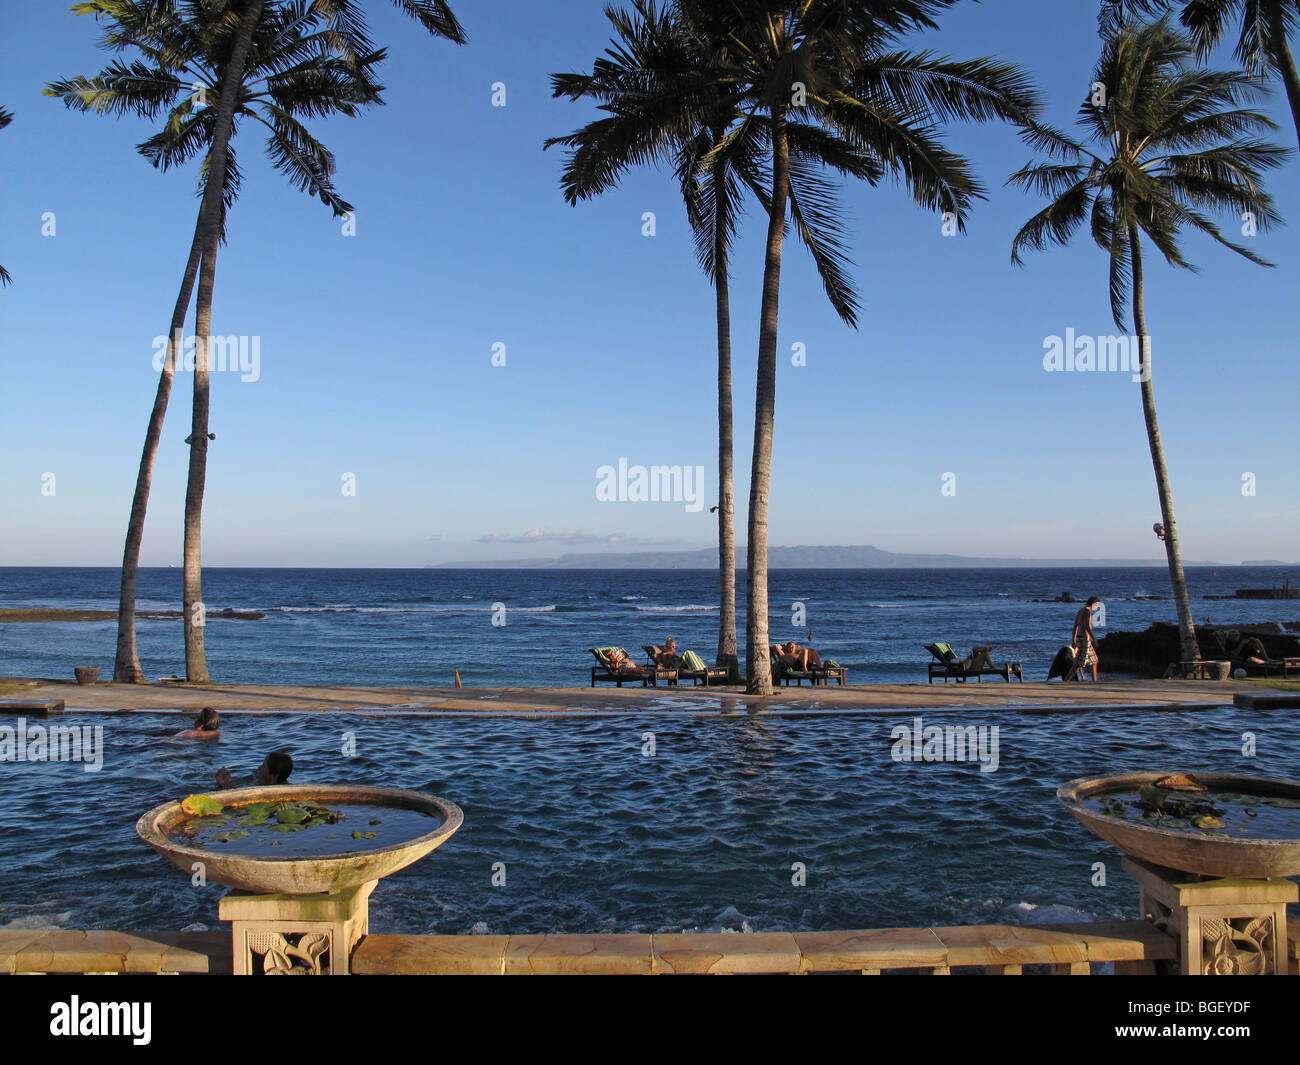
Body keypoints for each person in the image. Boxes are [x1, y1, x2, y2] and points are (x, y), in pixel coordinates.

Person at [1064, 597, 1101, 682]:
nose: (1097, 607)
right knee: (1079, 664)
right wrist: (1094, 638)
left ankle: (1094, 681)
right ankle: (1066, 681)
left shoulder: (1080, 611)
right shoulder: (1087, 612)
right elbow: (1087, 627)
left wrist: (1073, 639)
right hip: (1085, 640)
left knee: (1094, 661)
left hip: (1080, 639)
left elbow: (1075, 626)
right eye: (1097, 605)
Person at [216, 750, 293, 790]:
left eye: (263, 766)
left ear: (274, 777)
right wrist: (223, 784)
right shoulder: (257, 783)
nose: (259, 768)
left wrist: (229, 791)